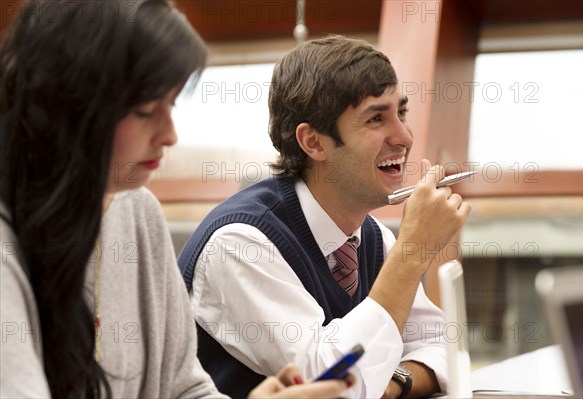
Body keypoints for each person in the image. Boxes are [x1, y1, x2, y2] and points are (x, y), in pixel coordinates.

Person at [0, 1, 351, 398]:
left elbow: (184, 387)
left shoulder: (137, 209)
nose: (170, 135)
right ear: (68, 104)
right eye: (146, 109)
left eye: (171, 105)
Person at [179, 35, 472, 398]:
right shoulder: (240, 243)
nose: (405, 136)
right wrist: (413, 252)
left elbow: (443, 349)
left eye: (402, 112)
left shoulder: (374, 239)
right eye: (376, 118)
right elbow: (329, 383)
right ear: (314, 142)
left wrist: (393, 382)